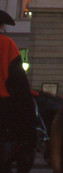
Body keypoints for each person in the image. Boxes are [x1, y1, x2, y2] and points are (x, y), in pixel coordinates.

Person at [0, 9, 37, 148]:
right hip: (3, 97)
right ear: (2, 26)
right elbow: (17, 75)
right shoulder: (7, 43)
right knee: (26, 117)